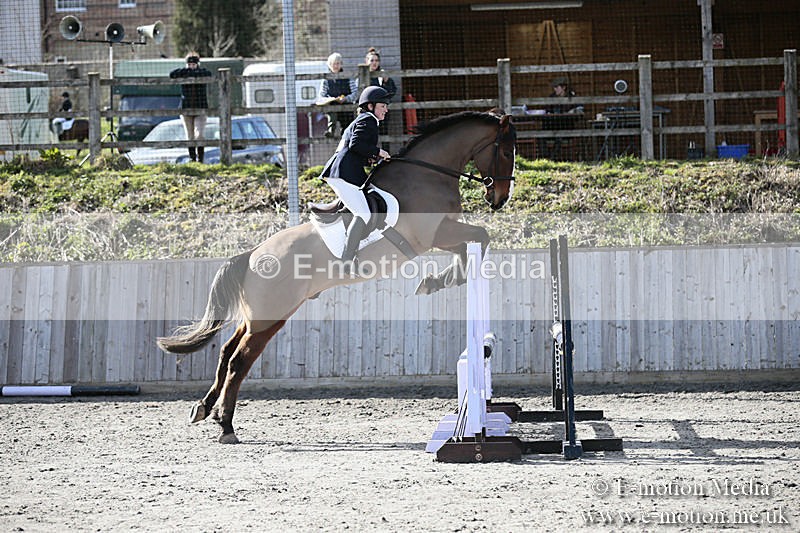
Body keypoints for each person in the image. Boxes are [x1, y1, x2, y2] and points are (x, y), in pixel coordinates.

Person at [320, 86, 391, 272]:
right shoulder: (368, 119)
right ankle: (346, 261)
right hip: (343, 173)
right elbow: (356, 144)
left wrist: (372, 157)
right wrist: (378, 152)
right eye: (383, 105)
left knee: (364, 209)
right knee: (364, 214)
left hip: (346, 171)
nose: (386, 109)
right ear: (370, 106)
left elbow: (357, 149)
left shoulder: (366, 119)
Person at [170, 52, 212, 162]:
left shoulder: (202, 72)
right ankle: (193, 159)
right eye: (189, 64)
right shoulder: (184, 73)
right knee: (190, 136)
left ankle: (201, 159)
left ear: (197, 64)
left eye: (193, 64)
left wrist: (194, 73)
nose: (191, 66)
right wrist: (187, 71)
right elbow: (172, 74)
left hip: (200, 108)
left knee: (199, 136)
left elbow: (208, 74)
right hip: (186, 108)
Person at [316, 52, 358, 137]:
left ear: (341, 64)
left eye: (338, 63)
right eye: (333, 64)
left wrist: (346, 98)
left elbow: (355, 94)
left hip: (346, 107)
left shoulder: (348, 77)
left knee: (347, 130)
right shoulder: (326, 80)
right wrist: (329, 99)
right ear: (329, 65)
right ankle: (331, 130)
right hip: (332, 106)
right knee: (332, 112)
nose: (335, 66)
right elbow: (321, 96)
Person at [541, 77, 581, 160]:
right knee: (541, 135)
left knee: (559, 137)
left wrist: (572, 111)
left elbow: (580, 109)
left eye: (557, 87)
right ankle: (545, 158)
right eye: (554, 87)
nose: (555, 89)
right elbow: (547, 110)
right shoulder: (551, 97)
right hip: (553, 125)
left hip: (567, 126)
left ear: (563, 87)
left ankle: (553, 159)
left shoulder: (571, 97)